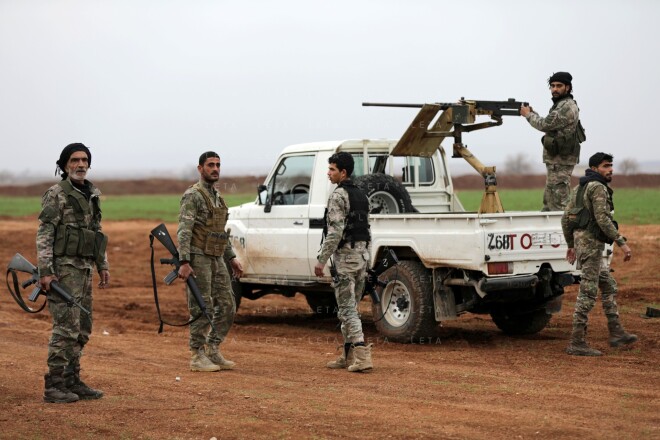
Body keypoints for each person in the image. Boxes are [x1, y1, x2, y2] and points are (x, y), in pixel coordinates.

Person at [37, 143, 110, 403]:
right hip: (63, 270)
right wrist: (46, 271)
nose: (80, 165)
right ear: (65, 165)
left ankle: (71, 379)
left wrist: (102, 264)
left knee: (83, 328)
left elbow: (96, 232)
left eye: (85, 160)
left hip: (85, 268)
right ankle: (54, 384)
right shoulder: (56, 194)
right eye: (75, 160)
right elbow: (45, 233)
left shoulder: (91, 193)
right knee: (66, 327)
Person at [561, 152, 637, 356]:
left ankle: (616, 331)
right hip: (592, 246)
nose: (610, 169)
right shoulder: (598, 187)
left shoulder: (579, 188)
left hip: (584, 245)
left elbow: (566, 219)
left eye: (611, 165)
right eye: (605, 166)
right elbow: (602, 219)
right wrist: (622, 243)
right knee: (587, 292)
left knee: (608, 284)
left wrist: (571, 243)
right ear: (595, 169)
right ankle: (577, 342)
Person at [177, 151, 243, 372]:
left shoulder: (217, 197)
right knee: (201, 305)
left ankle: (212, 348)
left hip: (216, 257)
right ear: (200, 169)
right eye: (210, 165)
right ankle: (197, 355)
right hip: (198, 258)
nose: (215, 169)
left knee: (227, 305)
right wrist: (184, 261)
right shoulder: (192, 196)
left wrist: (231, 258)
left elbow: (219, 231)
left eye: (218, 165)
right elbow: (184, 230)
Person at [314, 152, 373, 372]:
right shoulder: (361, 195)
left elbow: (335, 232)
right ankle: (348, 356)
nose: (328, 173)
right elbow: (367, 231)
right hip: (361, 258)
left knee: (347, 309)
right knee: (351, 309)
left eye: (332, 169)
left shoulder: (338, 196)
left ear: (343, 172)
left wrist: (321, 260)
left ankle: (362, 355)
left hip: (346, 261)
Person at [521, 71, 583, 211]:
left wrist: (528, 115)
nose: (554, 89)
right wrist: (533, 113)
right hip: (557, 160)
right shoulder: (560, 105)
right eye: (552, 86)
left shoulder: (566, 106)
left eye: (559, 86)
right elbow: (550, 124)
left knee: (559, 203)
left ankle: (565, 232)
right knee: (549, 201)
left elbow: (545, 125)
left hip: (561, 160)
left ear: (567, 87)